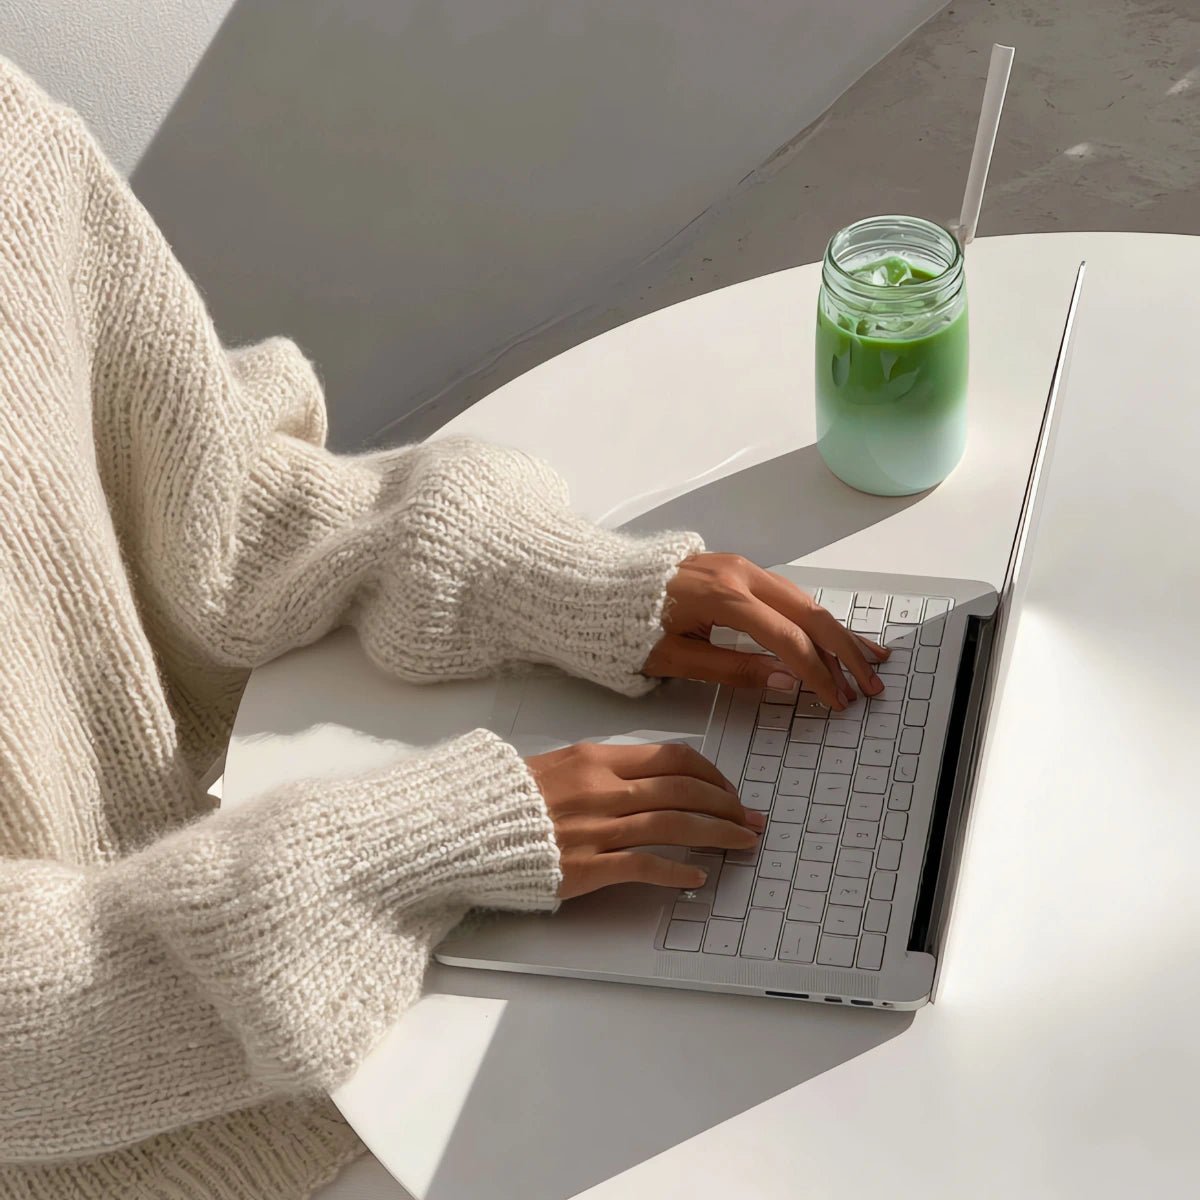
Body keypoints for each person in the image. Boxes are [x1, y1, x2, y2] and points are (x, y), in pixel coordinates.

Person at [0, 58, 886, 1200]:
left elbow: (207, 486)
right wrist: (411, 851)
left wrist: (529, 570)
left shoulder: (13, 147)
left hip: (303, 914)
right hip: (155, 1149)